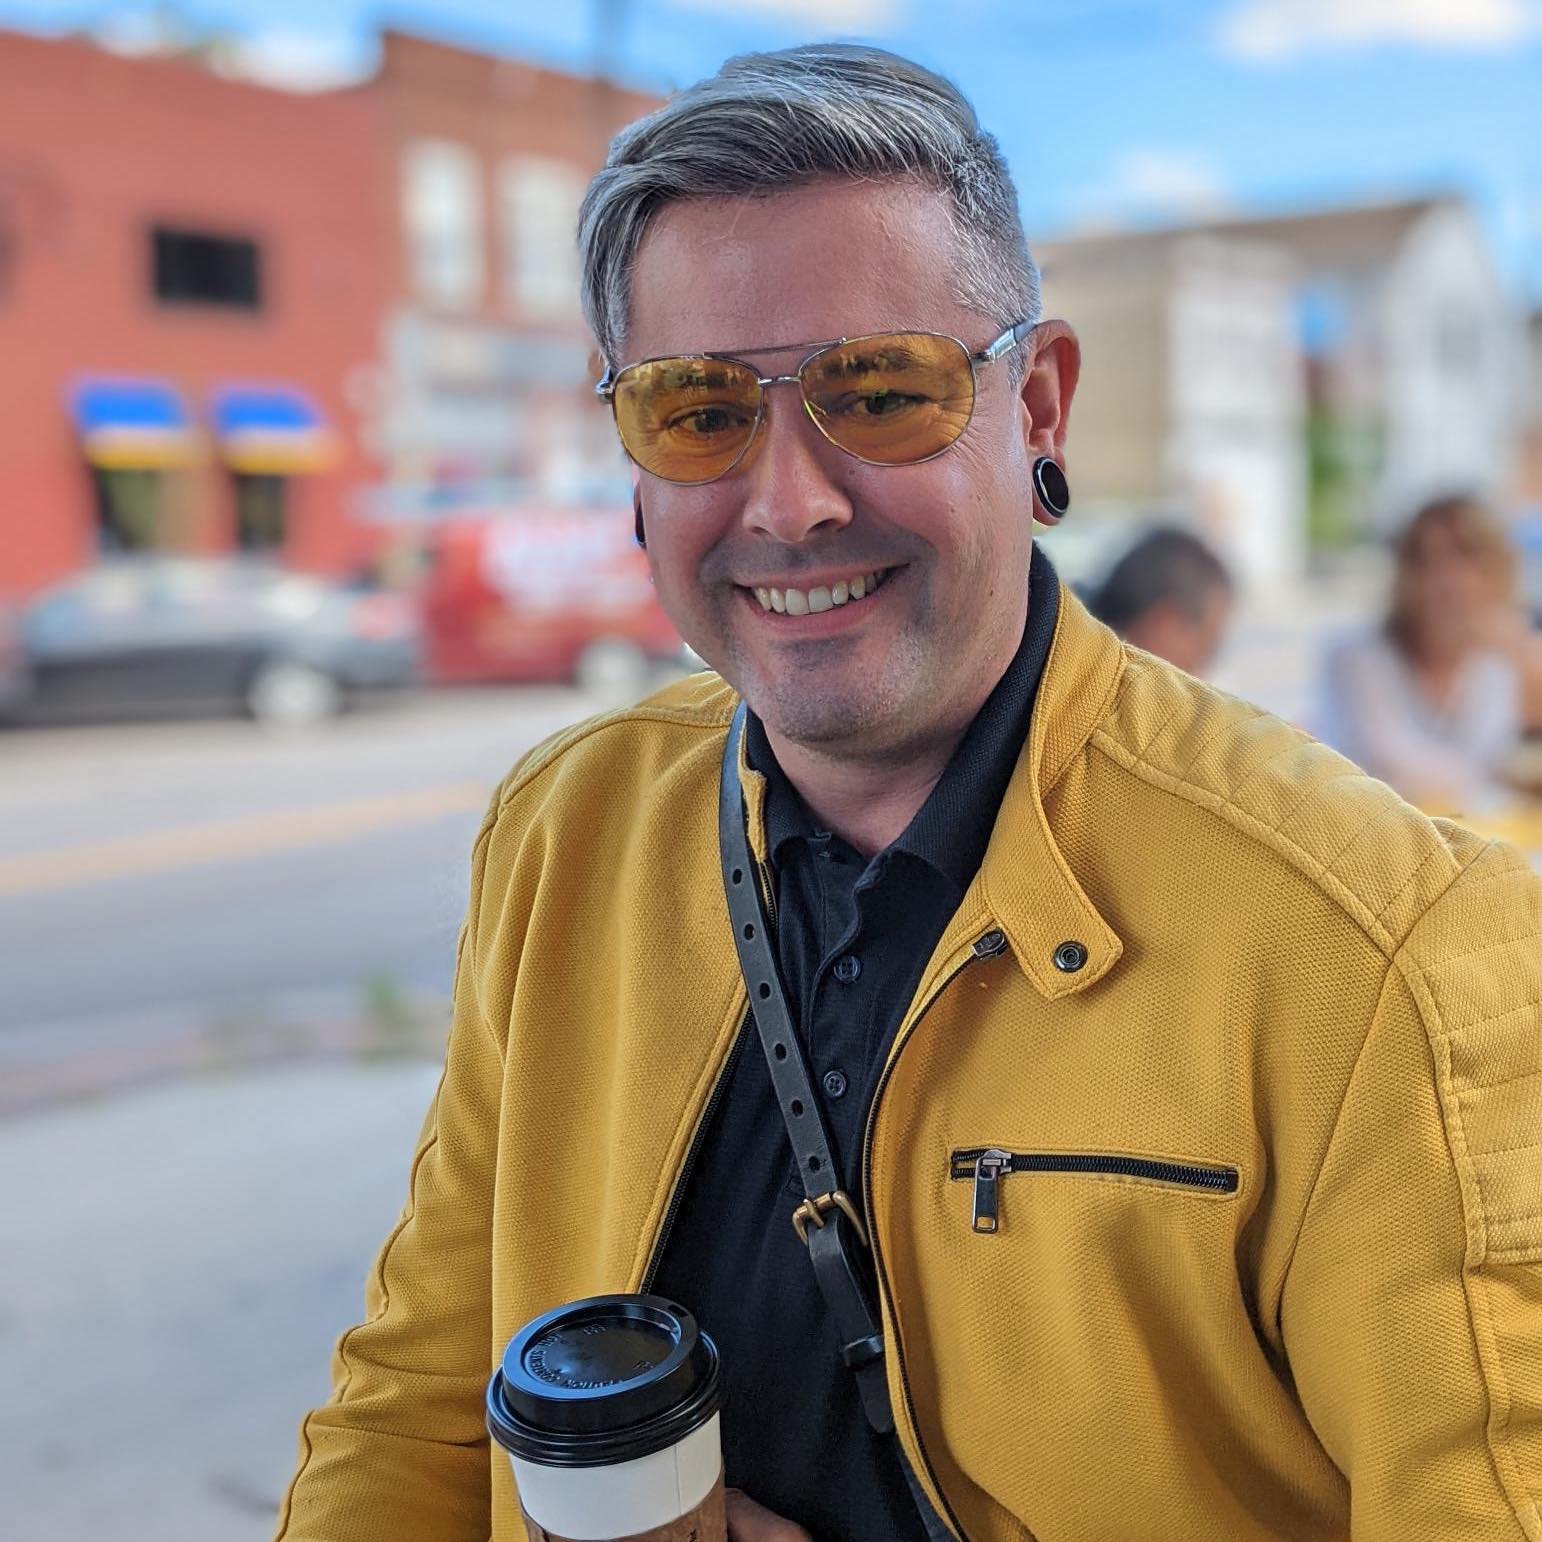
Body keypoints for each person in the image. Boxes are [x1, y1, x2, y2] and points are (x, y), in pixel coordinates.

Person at [275, 45, 1542, 1542]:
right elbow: (418, 1405)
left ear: (1041, 405)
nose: (790, 498)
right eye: (695, 411)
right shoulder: (568, 833)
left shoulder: (1393, 957)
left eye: (879, 390)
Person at [1314, 494, 1523, 813]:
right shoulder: (1357, 657)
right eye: (1428, 561)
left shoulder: (1495, 662)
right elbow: (1393, 765)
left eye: (1467, 560)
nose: (1448, 581)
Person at [1084, 523, 1234, 677]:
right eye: (1206, 647)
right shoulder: (1096, 688)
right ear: (1166, 627)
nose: (1203, 672)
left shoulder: (1070, 641)